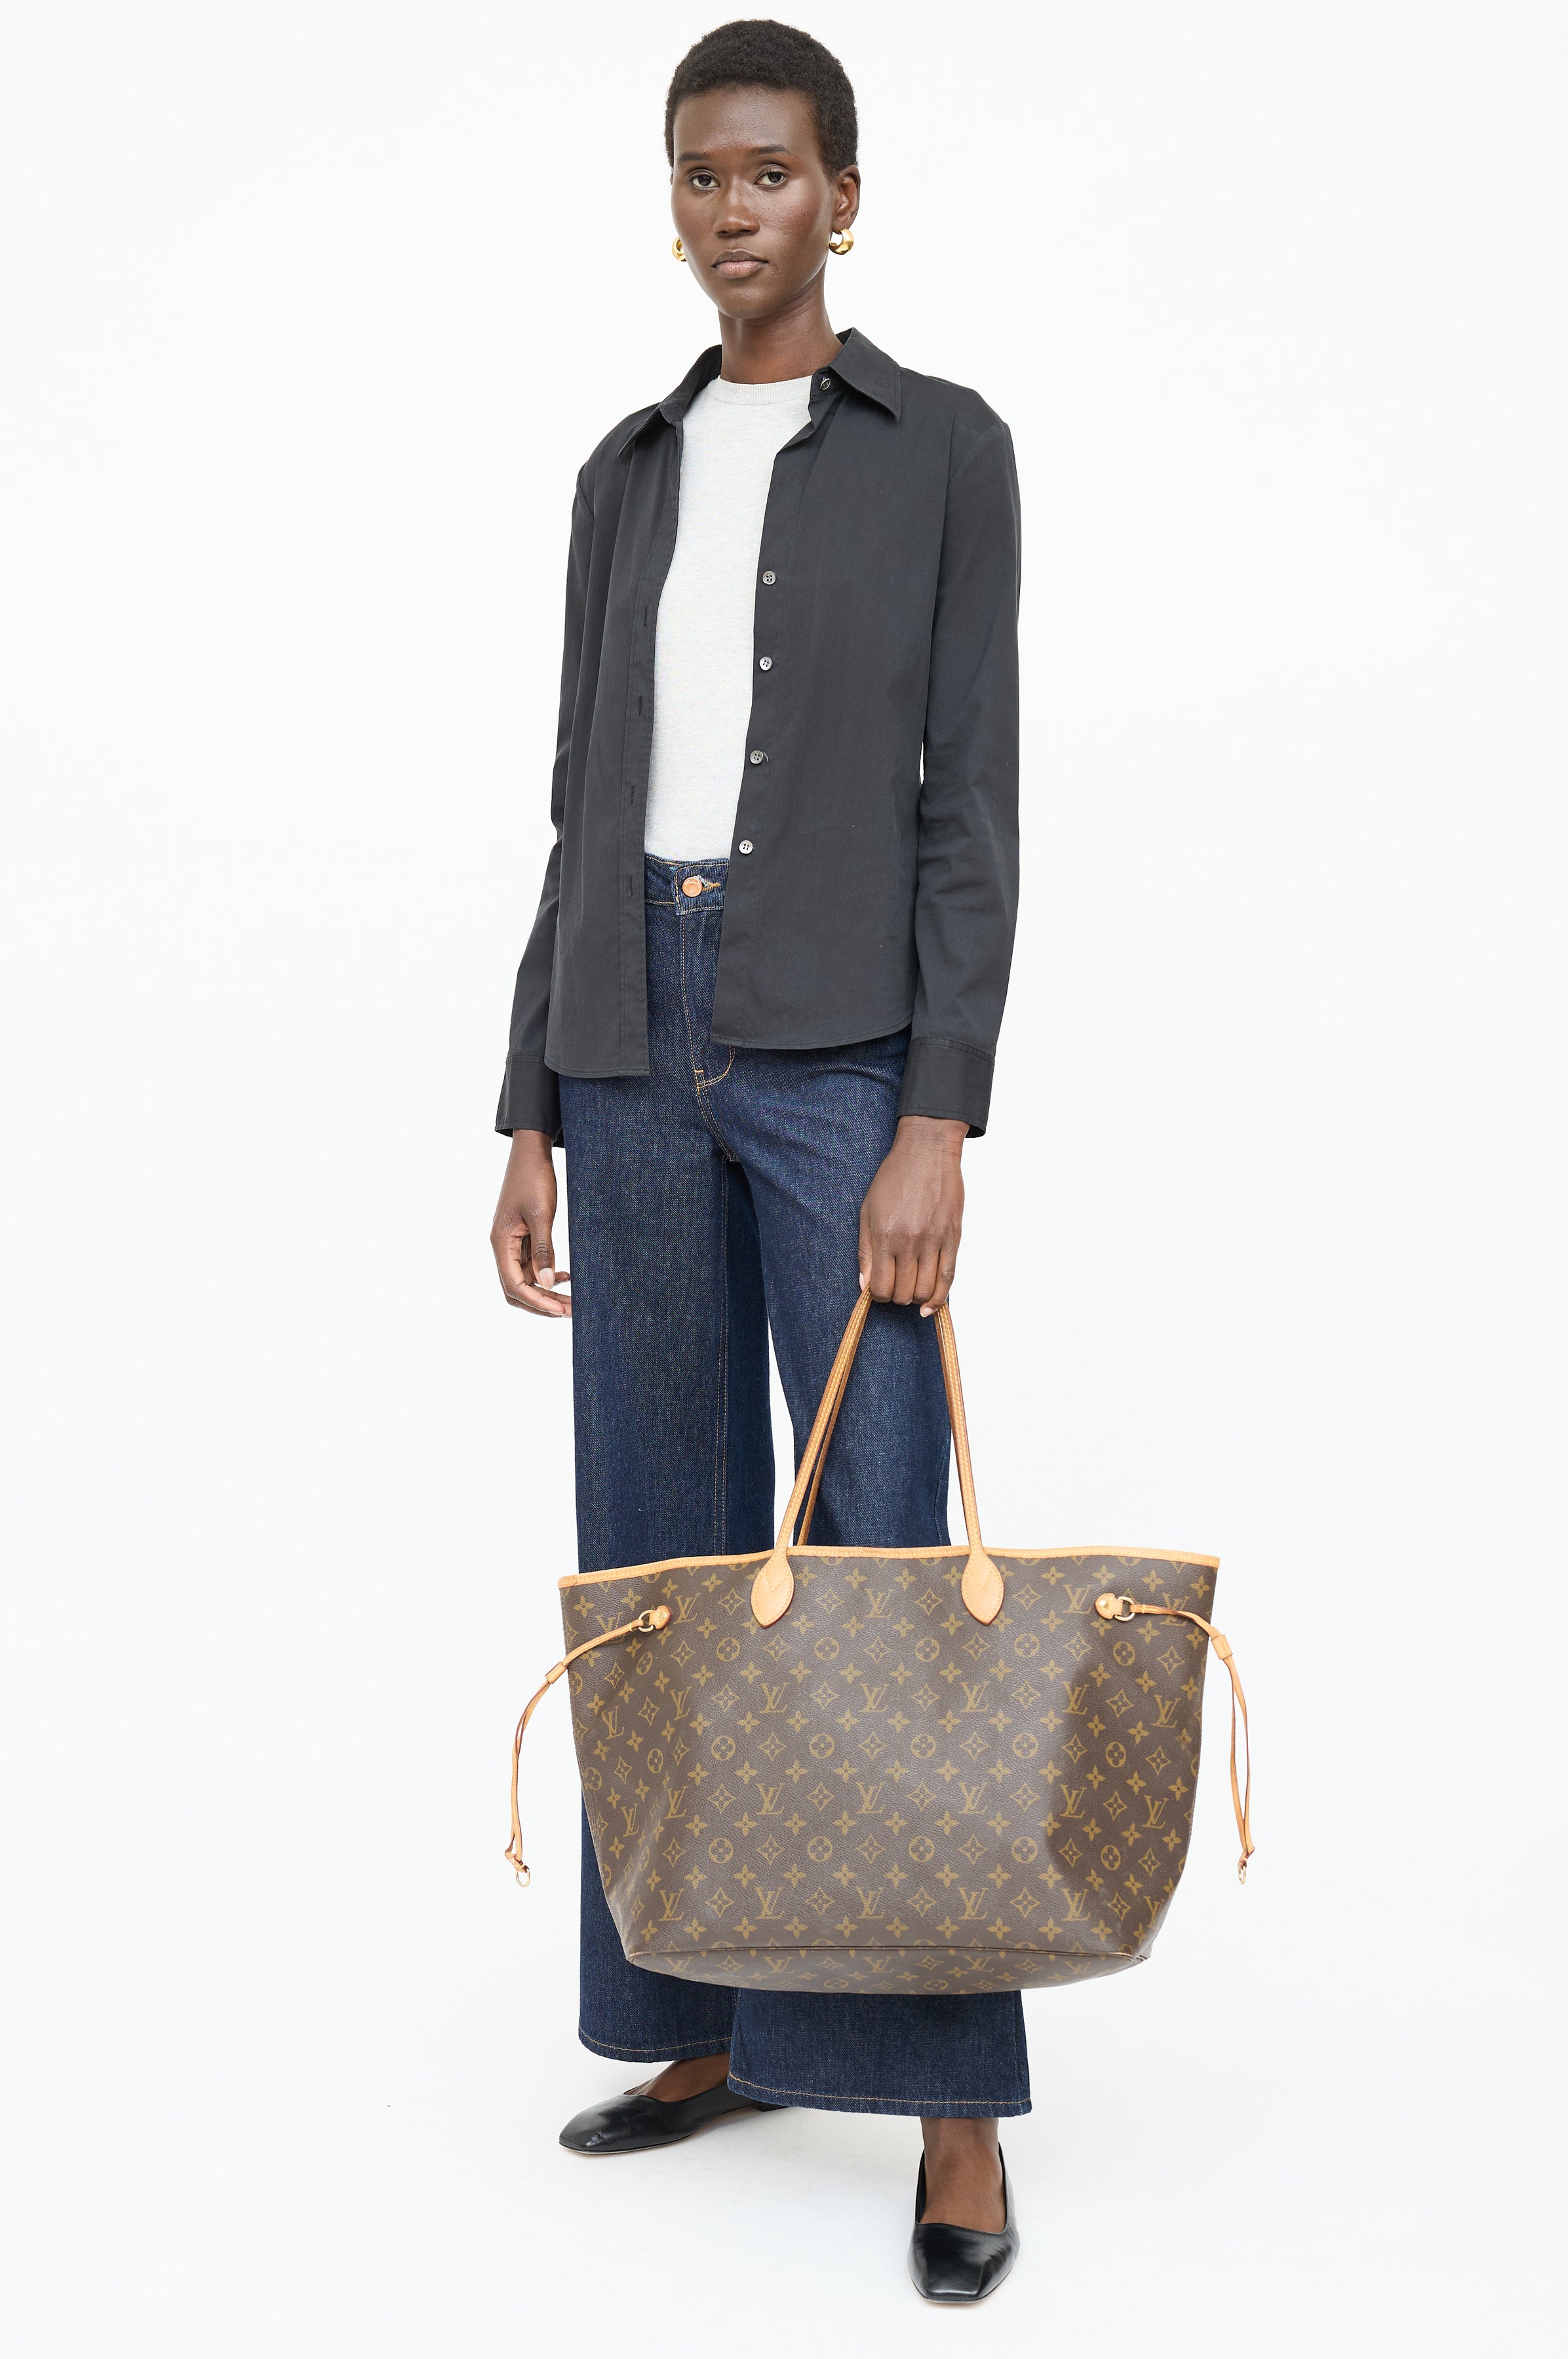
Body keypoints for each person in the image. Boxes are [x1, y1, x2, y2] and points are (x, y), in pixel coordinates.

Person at [490, 19, 1022, 2303]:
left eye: (773, 173)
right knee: (662, 1552)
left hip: (834, 1064)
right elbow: (578, 796)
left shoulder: (945, 449)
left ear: (845, 197)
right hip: (626, 1035)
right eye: (703, 174)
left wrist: (936, 1118)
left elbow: (970, 804)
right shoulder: (625, 471)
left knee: (876, 1554)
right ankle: (706, 2017)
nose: (735, 208)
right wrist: (530, 1100)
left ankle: (951, 2107)